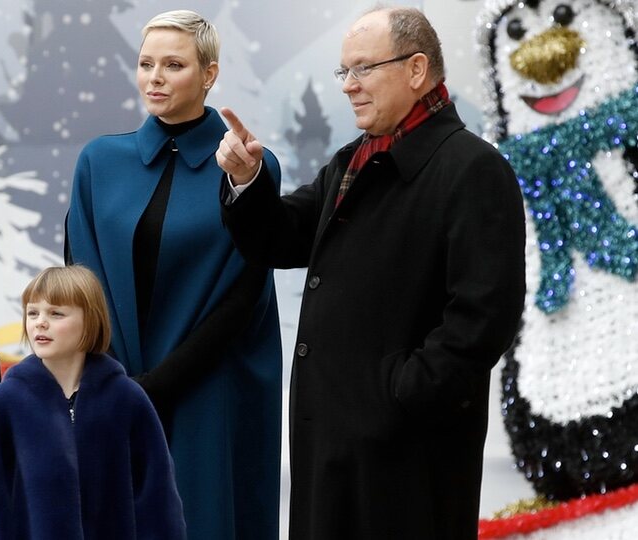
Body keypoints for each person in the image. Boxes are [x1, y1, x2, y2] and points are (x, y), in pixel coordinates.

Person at [217, 6, 526, 540]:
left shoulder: (473, 168)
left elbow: (485, 318)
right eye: (344, 72)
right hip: (334, 445)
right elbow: (282, 236)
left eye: (362, 69)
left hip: (408, 456)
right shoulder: (355, 159)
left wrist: (398, 398)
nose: (348, 86)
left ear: (415, 69)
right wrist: (248, 181)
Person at [65, 9, 283, 539]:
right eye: (145, 64)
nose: (155, 77)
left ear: (209, 74)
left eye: (173, 65)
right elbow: (81, 274)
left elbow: (244, 293)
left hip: (213, 385)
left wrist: (161, 384)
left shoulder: (249, 164)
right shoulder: (99, 161)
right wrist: (116, 376)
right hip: (116, 381)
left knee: (204, 519)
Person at [0, 265, 186, 539]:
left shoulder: (126, 400)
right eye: (33, 313)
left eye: (56, 313)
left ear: (90, 320)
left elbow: (158, 500)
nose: (40, 322)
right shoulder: (6, 402)